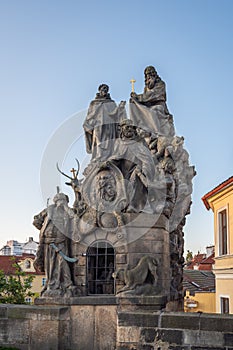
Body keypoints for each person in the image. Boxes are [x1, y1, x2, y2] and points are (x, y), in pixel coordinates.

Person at [33, 193, 77, 297]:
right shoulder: (50, 209)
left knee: (63, 263)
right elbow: (36, 220)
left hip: (61, 242)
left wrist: (65, 207)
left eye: (63, 200)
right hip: (48, 242)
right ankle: (52, 284)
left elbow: (74, 217)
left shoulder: (67, 211)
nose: (60, 203)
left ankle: (66, 284)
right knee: (50, 265)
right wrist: (43, 229)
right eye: (59, 200)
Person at [83, 84, 126, 161]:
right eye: (103, 89)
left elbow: (115, 114)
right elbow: (89, 116)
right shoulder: (94, 103)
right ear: (99, 90)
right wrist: (89, 124)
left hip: (110, 126)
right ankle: (99, 157)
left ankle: (110, 157)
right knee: (99, 141)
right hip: (98, 125)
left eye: (106, 89)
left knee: (109, 142)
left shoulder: (111, 102)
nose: (105, 90)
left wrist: (120, 107)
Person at [130, 66, 174, 137]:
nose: (148, 77)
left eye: (150, 74)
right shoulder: (146, 88)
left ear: (154, 74)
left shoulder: (161, 84)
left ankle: (156, 132)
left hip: (159, 106)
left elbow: (153, 95)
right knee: (133, 103)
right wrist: (135, 99)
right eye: (147, 75)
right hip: (148, 105)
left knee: (152, 111)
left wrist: (138, 97)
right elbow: (145, 98)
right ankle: (136, 126)